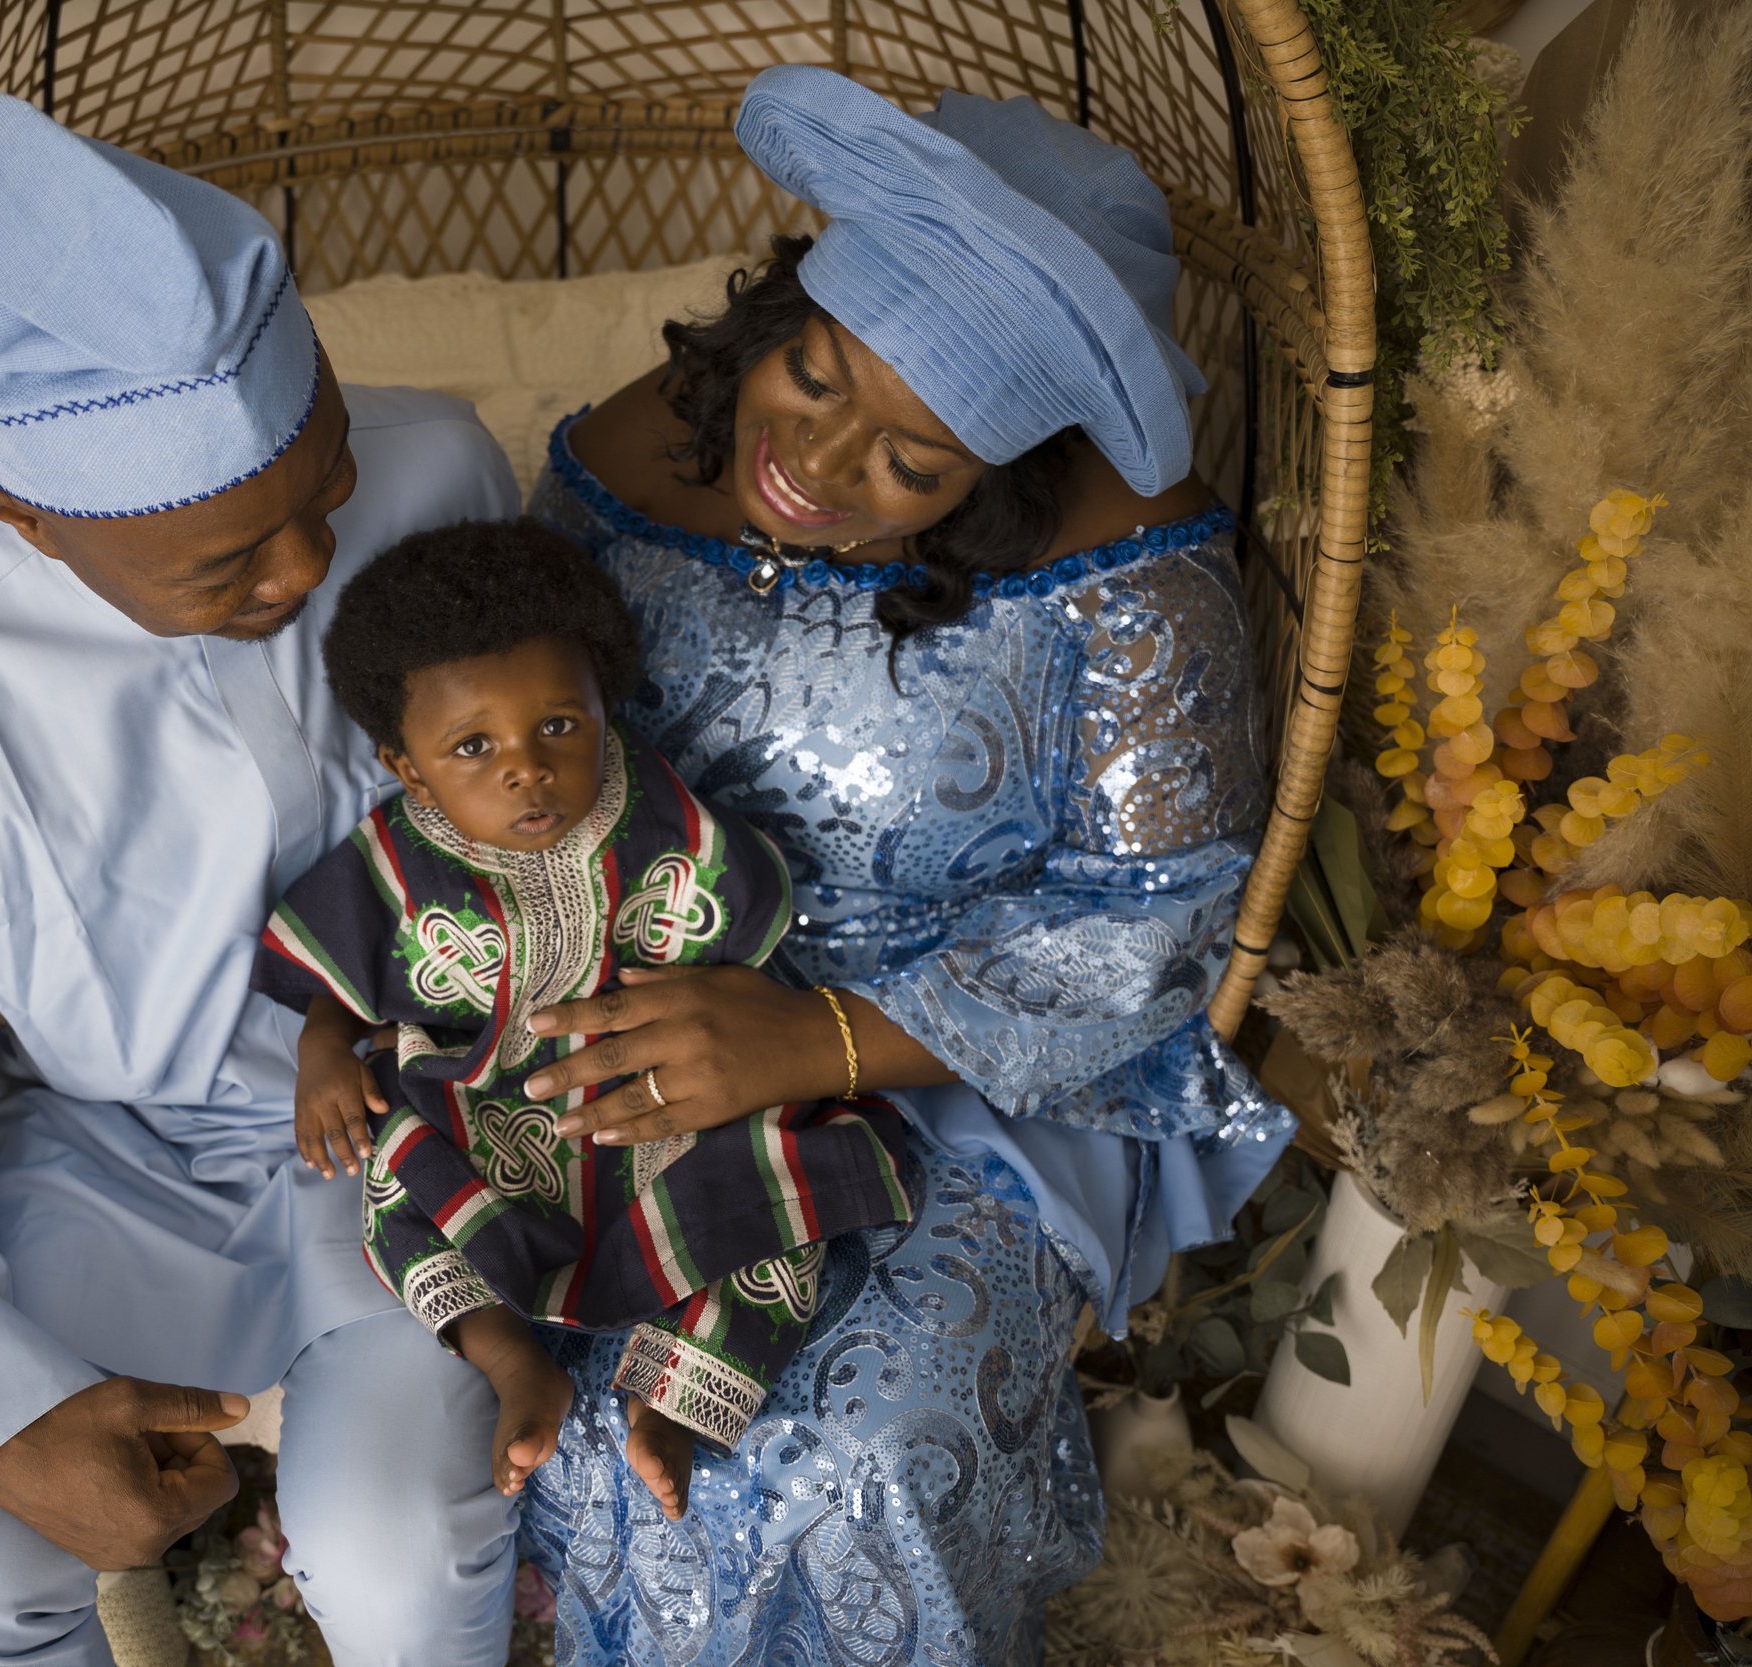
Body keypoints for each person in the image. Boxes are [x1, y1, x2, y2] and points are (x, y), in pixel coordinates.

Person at [511, 67, 1297, 1662]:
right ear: (781, 309)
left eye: (910, 465)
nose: (813, 459)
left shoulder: (1130, 571)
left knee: (852, 1448)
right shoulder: (621, 453)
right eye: (807, 375)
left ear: (996, 478)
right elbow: (523, 728)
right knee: (562, 1394)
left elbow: (1152, 936)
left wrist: (814, 1038)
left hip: (976, 1070)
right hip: (635, 1001)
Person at [0, 94, 527, 1664]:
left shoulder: (442, 462)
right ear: (25, 513)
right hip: (120, 1164)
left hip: (432, 1121)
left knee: (392, 1542)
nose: (310, 566)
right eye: (229, 563)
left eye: (323, 487)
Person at [253, 519, 915, 1519]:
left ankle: (677, 1397)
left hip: (663, 1101)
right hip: (483, 1107)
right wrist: (320, 1055)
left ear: (603, 706)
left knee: (780, 1190)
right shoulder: (391, 859)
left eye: (559, 725)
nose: (527, 767)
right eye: (473, 746)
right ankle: (513, 1356)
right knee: (396, 1188)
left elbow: (744, 951)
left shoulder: (665, 815)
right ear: (408, 765)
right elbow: (332, 975)